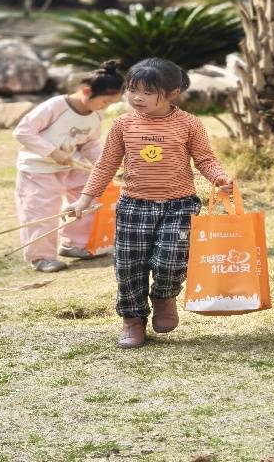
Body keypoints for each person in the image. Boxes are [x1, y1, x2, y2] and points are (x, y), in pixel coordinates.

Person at [69, 57, 233, 349]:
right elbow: (106, 164)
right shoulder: (122, 124)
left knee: (172, 260)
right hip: (134, 206)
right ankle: (132, 319)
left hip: (178, 206)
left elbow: (205, 159)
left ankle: (163, 297)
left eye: (147, 92)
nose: (137, 97)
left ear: (172, 93)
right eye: (132, 90)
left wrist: (219, 178)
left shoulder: (189, 124)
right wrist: (84, 199)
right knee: (129, 266)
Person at [13, 60, 125, 273]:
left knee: (90, 199)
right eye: (104, 101)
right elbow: (23, 131)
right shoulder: (55, 106)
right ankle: (41, 257)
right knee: (39, 212)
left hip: (72, 166)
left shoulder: (96, 113)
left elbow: (89, 143)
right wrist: (52, 152)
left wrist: (104, 167)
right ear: (86, 91)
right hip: (38, 168)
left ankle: (75, 245)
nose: (105, 107)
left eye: (110, 103)